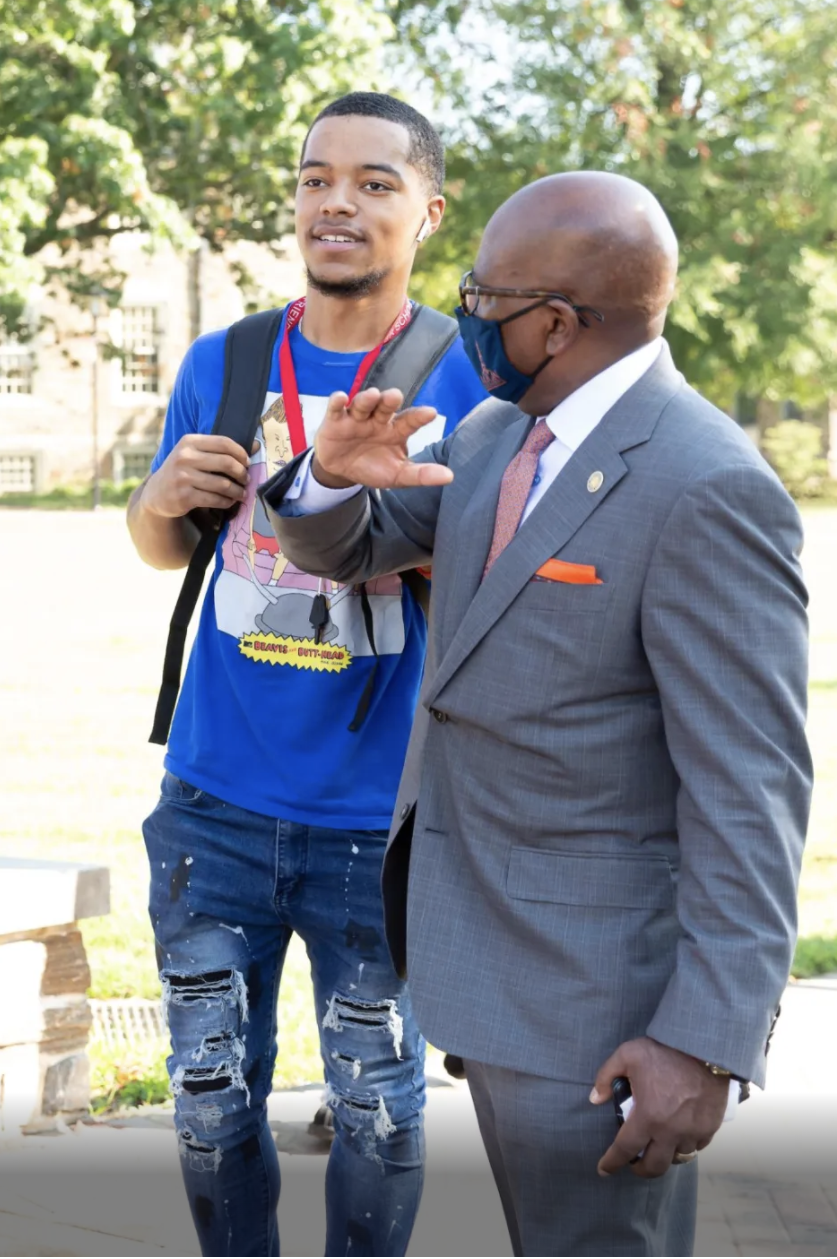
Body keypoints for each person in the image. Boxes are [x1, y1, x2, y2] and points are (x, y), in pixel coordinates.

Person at [266, 171, 811, 1257]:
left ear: (555, 324)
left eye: (482, 299)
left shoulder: (706, 487)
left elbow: (750, 796)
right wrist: (328, 481)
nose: (462, 314)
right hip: (484, 964)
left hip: (602, 1007)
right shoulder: (494, 436)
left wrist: (702, 1044)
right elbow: (355, 549)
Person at [125, 92, 487, 1257]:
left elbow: (487, 578)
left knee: (379, 1108)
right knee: (206, 1101)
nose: (336, 202)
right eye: (314, 177)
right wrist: (154, 501)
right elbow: (162, 546)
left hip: (375, 822)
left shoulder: (466, 376)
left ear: (428, 211)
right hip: (212, 805)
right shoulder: (224, 359)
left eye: (374, 184)